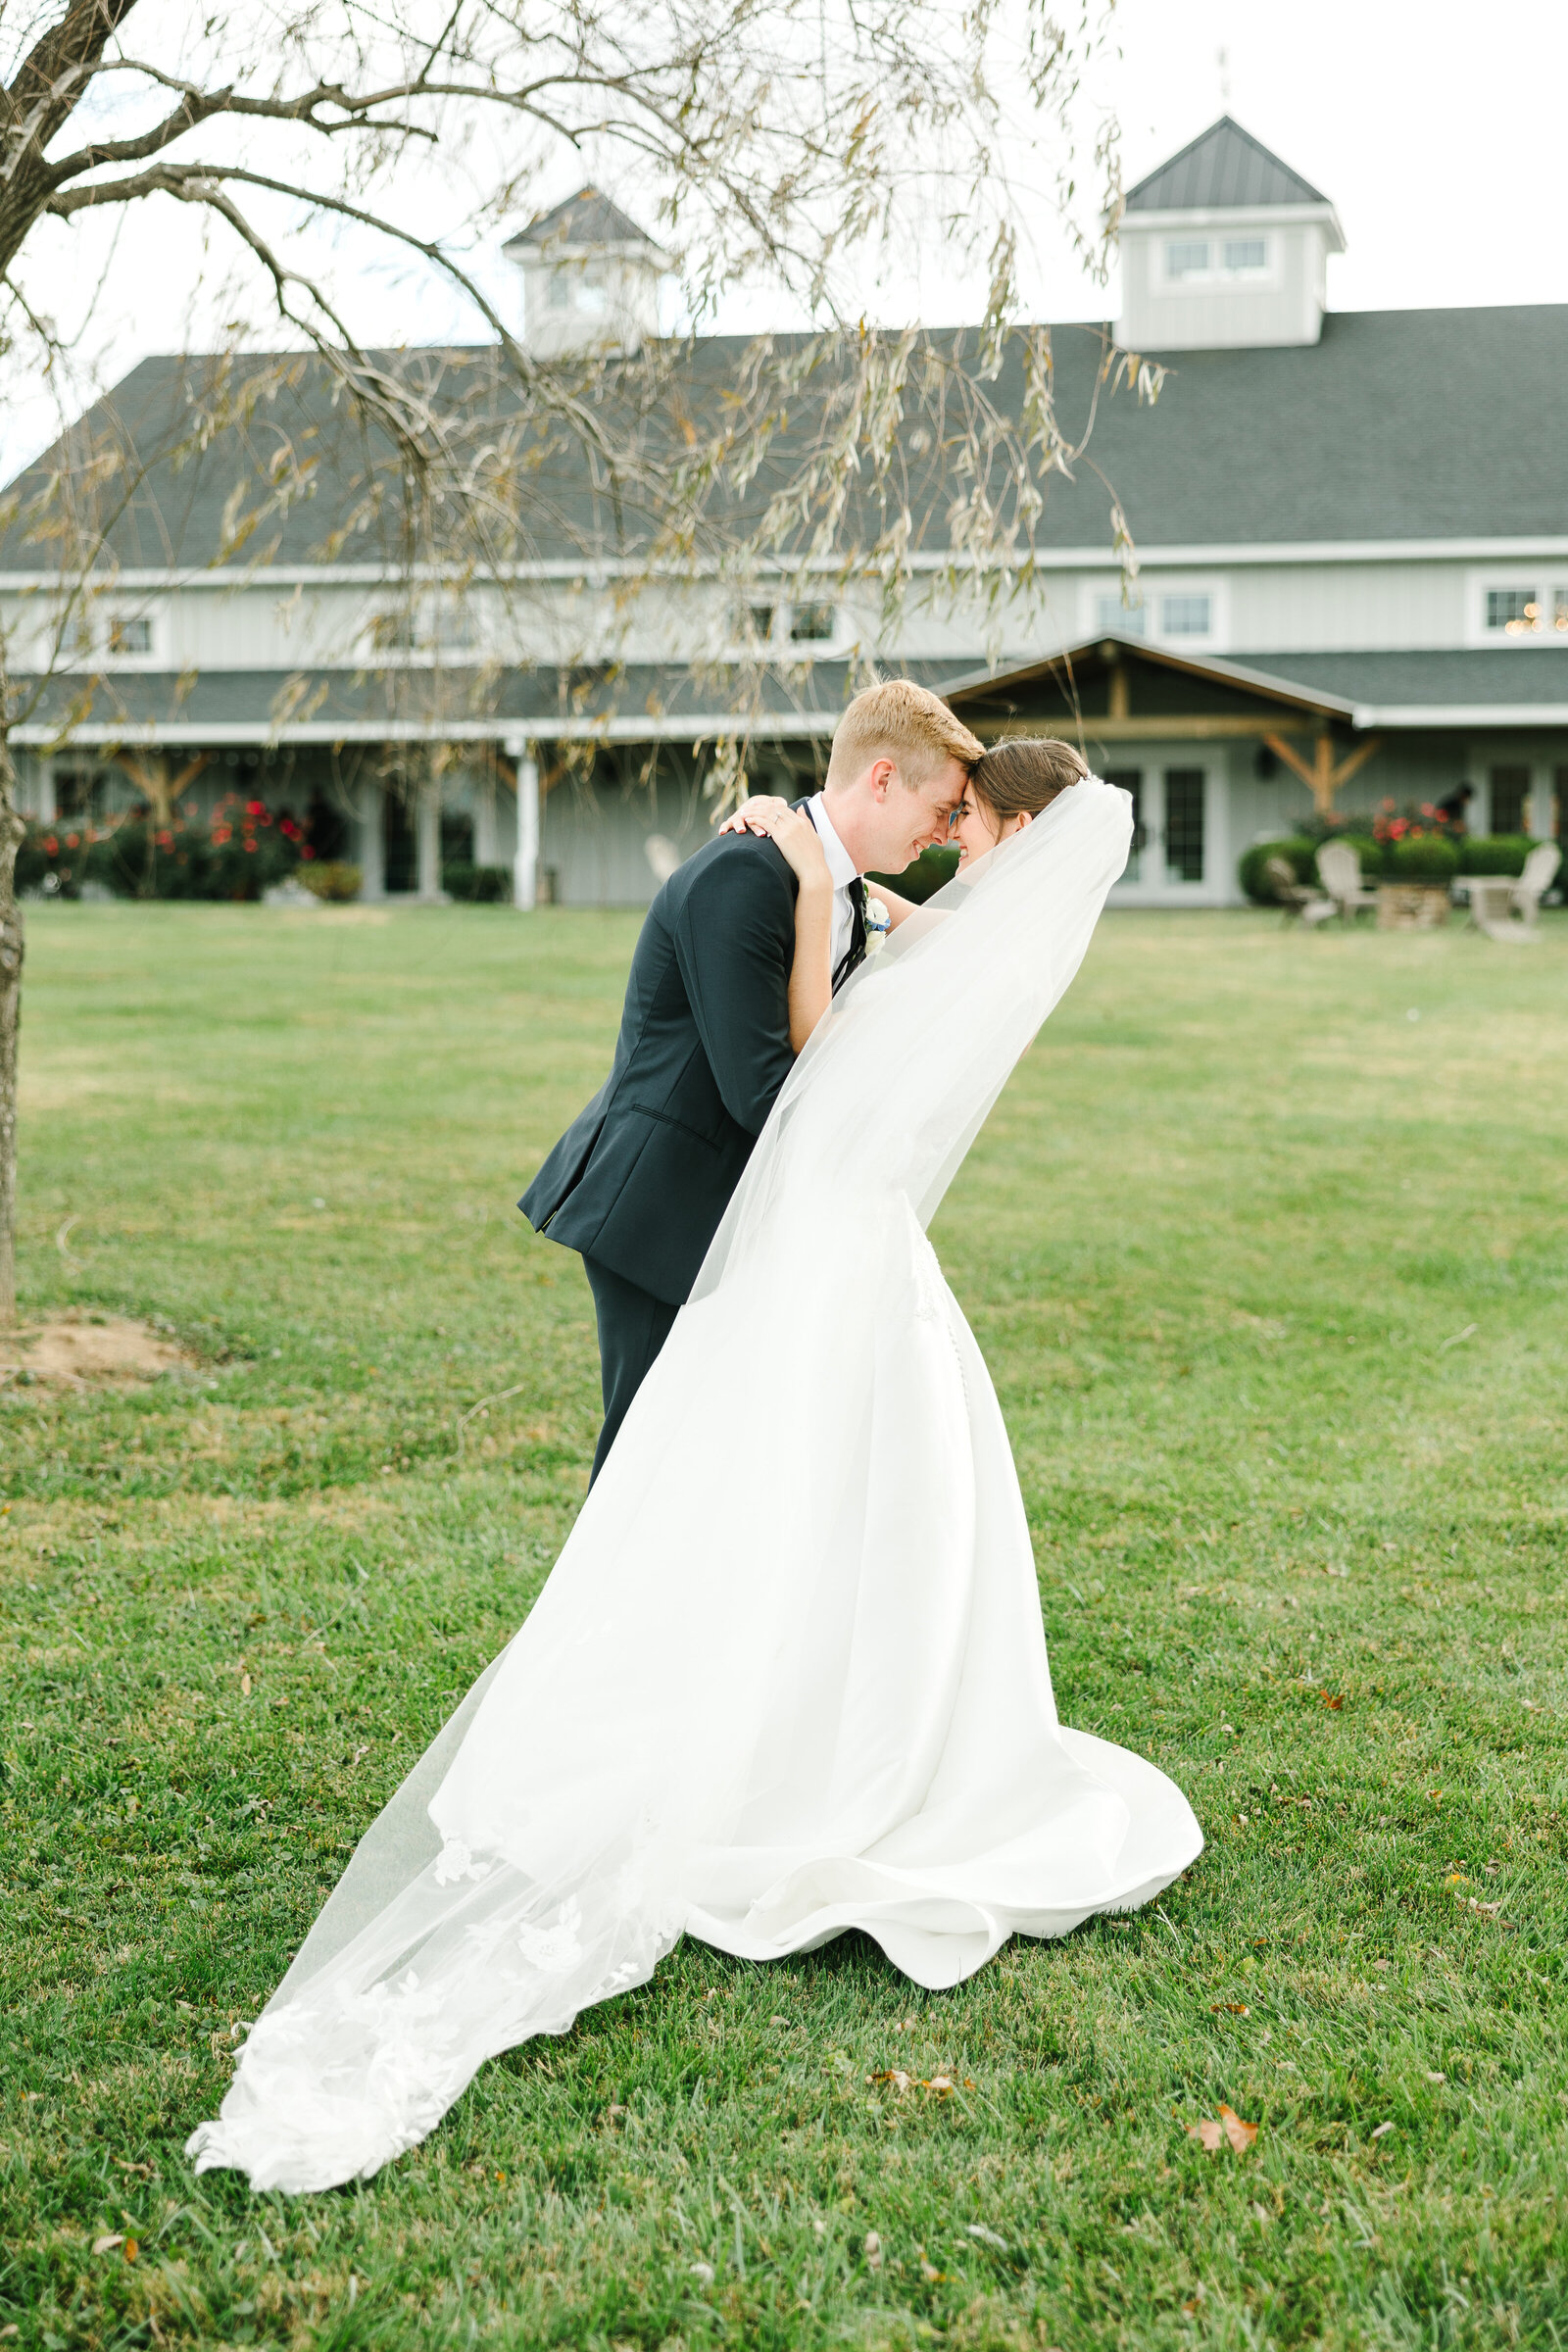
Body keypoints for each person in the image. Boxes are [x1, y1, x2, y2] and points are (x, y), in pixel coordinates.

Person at [187, 739, 1202, 2195]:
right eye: (938, 802)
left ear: (1014, 825)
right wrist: (808, 859)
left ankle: (745, 1718)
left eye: (965, 818)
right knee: (807, 1488)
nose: (942, 830)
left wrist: (804, 879)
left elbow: (802, 1082)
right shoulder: (969, 925)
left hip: (832, 1242)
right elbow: (847, 978)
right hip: (843, 1252)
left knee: (750, 1480)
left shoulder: (941, 924)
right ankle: (775, 1696)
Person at [519, 679, 983, 1483]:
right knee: (650, 1454)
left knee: (719, 1458)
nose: (943, 835)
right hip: (664, 1208)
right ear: (881, 779)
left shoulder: (841, 888)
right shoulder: (746, 874)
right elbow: (761, 1089)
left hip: (739, 1211)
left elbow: (978, 939)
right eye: (941, 810)